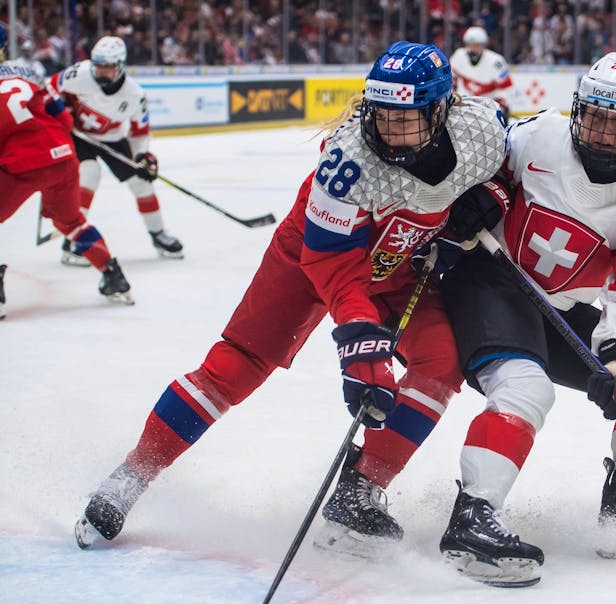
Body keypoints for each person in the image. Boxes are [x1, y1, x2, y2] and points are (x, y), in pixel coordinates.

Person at [73, 41, 509, 552]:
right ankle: (133, 473)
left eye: (405, 118)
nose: (388, 129)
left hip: (399, 261)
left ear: (440, 112)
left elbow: (511, 171)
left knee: (441, 361)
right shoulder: (347, 159)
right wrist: (359, 337)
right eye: (381, 114)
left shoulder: (483, 129)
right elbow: (331, 262)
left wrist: (492, 197)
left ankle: (361, 491)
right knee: (237, 364)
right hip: (310, 256)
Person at [326, 52, 616, 587]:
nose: (601, 132)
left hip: (557, 309)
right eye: (594, 115)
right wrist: (490, 194)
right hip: (486, 278)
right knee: (525, 387)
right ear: (577, 109)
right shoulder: (539, 135)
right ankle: (473, 516)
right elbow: (481, 164)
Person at [1, 24, 132, 317]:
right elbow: (65, 121)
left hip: (21, 164)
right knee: (71, 221)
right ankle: (113, 274)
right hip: (63, 159)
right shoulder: (27, 73)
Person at [49, 36, 184, 265]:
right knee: (89, 174)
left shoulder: (134, 95)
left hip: (113, 138)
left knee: (142, 183)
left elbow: (140, 132)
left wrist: (142, 156)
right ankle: (73, 242)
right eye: (98, 65)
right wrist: (60, 111)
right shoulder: (79, 74)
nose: (101, 71)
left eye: (108, 67)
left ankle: (158, 234)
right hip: (78, 136)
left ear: (120, 67)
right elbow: (50, 88)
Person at [450, 27, 514, 120]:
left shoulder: (496, 61)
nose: (472, 49)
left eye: (476, 45)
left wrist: (501, 104)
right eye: (470, 45)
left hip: (488, 109)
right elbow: (451, 79)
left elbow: (506, 87)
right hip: (463, 107)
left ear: (483, 45)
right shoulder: (458, 56)